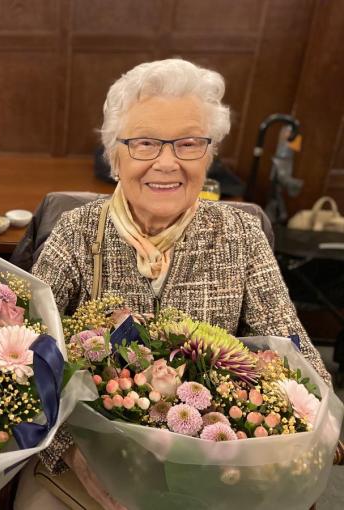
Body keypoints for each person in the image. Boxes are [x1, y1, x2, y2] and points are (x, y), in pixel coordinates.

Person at [18, 58, 331, 509]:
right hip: (86, 460)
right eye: (145, 143)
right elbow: (25, 359)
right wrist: (74, 454)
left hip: (215, 464)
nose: (167, 163)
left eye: (188, 143)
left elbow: (294, 350)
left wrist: (313, 428)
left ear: (209, 156)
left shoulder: (240, 235)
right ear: (115, 156)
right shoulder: (76, 231)